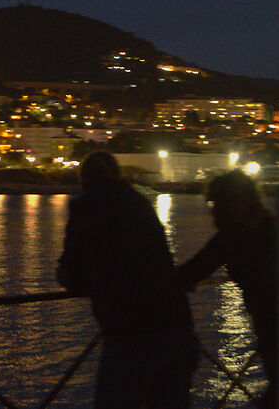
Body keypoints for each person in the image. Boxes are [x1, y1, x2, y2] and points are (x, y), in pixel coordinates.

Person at [56, 151, 199, 408]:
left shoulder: (85, 207)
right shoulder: (140, 203)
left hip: (131, 334)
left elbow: (71, 273)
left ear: (84, 180)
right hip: (177, 327)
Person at [179, 171, 278, 408]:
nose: (211, 209)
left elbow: (191, 272)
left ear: (226, 203)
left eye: (213, 202)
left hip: (270, 321)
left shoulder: (232, 236)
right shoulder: (272, 226)